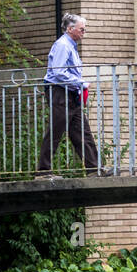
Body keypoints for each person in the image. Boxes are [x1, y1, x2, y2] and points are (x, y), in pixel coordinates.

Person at [37, 12, 104, 179]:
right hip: (59, 91)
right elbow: (58, 72)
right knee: (55, 130)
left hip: (70, 92)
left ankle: (94, 169)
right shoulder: (63, 45)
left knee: (82, 131)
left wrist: (78, 84)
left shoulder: (70, 45)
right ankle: (43, 172)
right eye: (81, 29)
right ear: (70, 29)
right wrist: (80, 82)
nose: (84, 32)